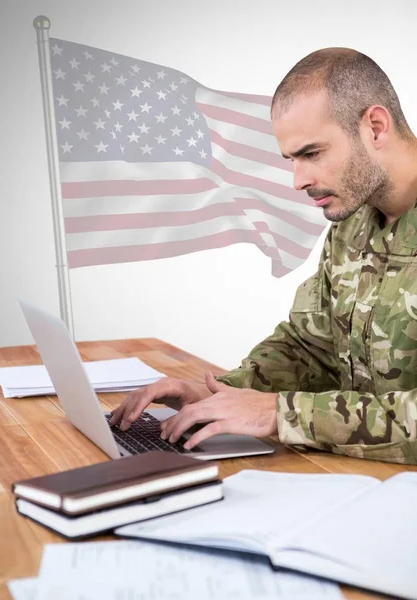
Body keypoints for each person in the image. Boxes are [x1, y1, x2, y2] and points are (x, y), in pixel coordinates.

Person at [110, 47, 417, 465]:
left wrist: (280, 413)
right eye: (292, 159)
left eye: (312, 154)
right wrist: (220, 391)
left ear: (375, 127)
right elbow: (310, 346)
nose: (299, 180)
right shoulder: (353, 221)